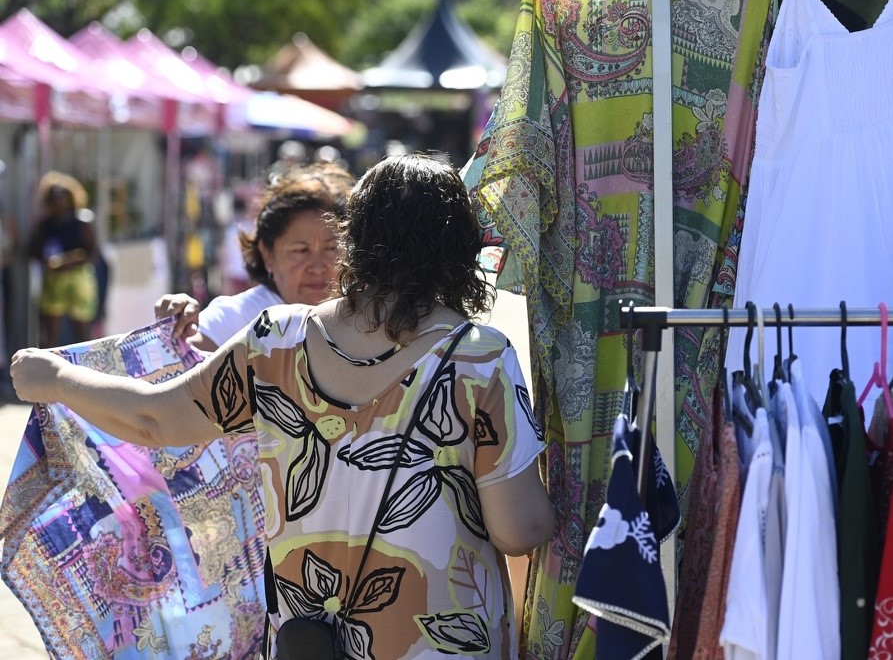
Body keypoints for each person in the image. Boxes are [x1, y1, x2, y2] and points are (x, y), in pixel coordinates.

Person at [12, 154, 556, 659]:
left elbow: (155, 418)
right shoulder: (479, 358)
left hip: (309, 643)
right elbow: (519, 530)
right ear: (459, 250)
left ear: (355, 241)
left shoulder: (275, 341)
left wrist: (58, 378)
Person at [155, 161, 355, 351]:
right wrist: (178, 331)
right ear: (267, 255)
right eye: (301, 250)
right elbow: (190, 346)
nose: (318, 267)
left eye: (332, 249)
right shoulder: (241, 318)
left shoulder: (362, 316)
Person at [28, 172, 99, 348]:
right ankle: (46, 371)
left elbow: (92, 252)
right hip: (54, 280)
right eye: (53, 197)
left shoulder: (82, 220)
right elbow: (34, 250)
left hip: (78, 278)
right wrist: (48, 262)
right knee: (50, 332)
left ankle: (85, 371)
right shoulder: (45, 224)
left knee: (81, 332)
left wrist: (72, 260)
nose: (58, 201)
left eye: (61, 196)